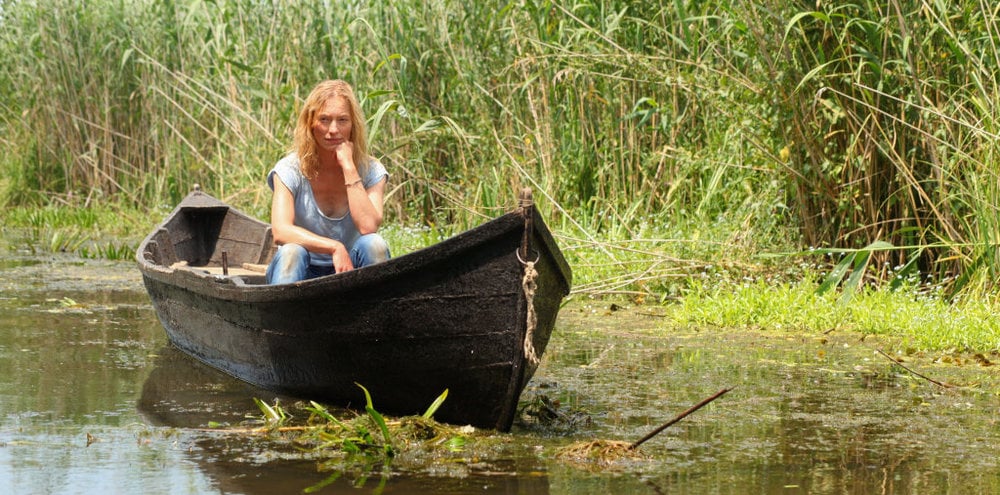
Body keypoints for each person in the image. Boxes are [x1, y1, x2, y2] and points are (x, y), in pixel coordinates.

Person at [265, 80, 390, 284]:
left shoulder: (372, 170)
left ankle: (377, 312)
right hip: (300, 272)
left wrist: (349, 167)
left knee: (374, 244)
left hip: (349, 269)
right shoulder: (289, 169)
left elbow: (368, 227)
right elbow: (281, 231)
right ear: (311, 124)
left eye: (342, 120)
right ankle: (283, 315)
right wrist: (334, 247)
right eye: (324, 119)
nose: (333, 130)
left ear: (353, 125)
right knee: (292, 252)